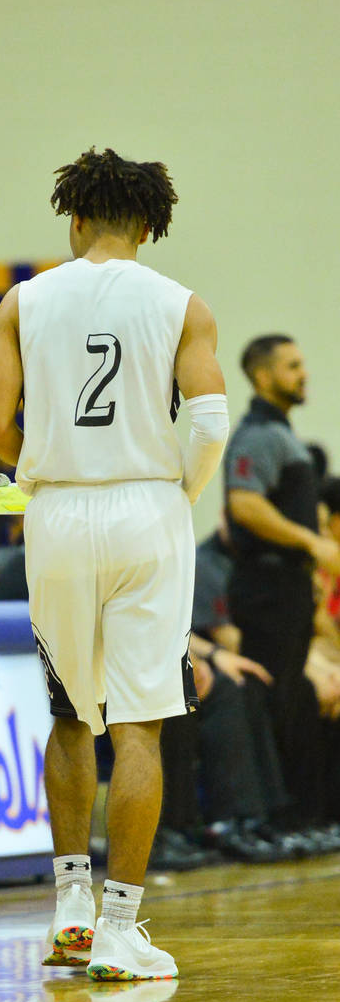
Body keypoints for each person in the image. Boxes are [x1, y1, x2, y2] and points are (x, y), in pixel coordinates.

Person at [0, 147, 229, 982]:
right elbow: (208, 422)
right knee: (139, 724)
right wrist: (180, 493)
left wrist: (41, 466)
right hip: (146, 508)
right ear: (150, 227)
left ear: (74, 217)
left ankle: (70, 908)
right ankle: (121, 929)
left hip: (54, 513)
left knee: (66, 714)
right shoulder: (180, 304)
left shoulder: (23, 300)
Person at [224, 335, 340, 835]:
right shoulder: (257, 435)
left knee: (293, 696)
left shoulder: (283, 434)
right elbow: (244, 502)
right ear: (262, 375)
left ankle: (304, 814)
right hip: (266, 586)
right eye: (292, 366)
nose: (303, 373)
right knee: (275, 697)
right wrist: (311, 543)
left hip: (287, 586)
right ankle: (275, 819)